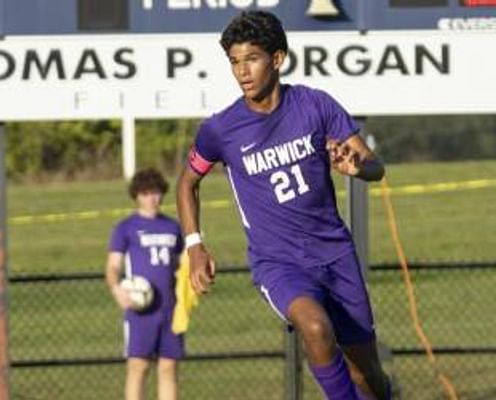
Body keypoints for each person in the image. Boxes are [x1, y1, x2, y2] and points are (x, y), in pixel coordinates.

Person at [176, 10, 392, 400]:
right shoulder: (220, 130)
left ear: (277, 59)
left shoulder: (315, 105)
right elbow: (187, 182)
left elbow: (375, 168)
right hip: (279, 264)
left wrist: (358, 168)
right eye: (234, 62)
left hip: (336, 255)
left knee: (367, 375)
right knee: (314, 328)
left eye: (252, 59)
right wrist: (195, 246)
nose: (242, 71)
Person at [106, 168, 185, 400]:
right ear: (137, 196)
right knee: (138, 368)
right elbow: (112, 267)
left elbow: (184, 264)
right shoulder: (126, 228)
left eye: (157, 192)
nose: (153, 198)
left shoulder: (173, 227)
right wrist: (117, 289)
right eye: (147, 193)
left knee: (168, 368)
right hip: (141, 311)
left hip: (170, 309)